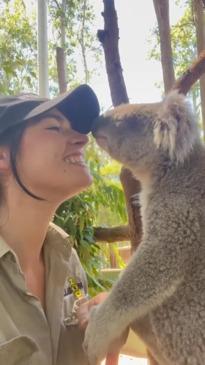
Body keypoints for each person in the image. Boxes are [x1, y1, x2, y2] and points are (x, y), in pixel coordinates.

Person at [0, 84, 101, 365]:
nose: (83, 140)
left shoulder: (67, 258)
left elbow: (81, 308)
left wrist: (104, 327)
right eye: (54, 128)